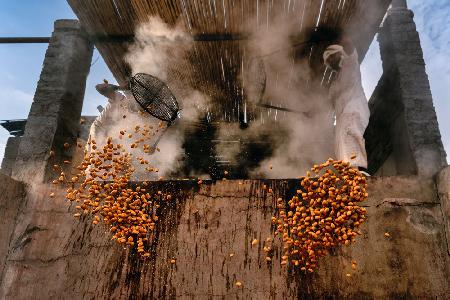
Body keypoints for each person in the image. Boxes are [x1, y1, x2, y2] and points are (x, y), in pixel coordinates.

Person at [323, 39, 371, 176]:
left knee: (349, 133)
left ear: (340, 54)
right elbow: (326, 104)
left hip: (354, 108)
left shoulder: (350, 66)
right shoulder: (334, 85)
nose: (331, 62)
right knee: (340, 141)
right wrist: (311, 112)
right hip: (342, 115)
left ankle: (358, 170)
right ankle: (348, 172)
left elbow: (351, 52)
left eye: (333, 57)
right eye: (329, 61)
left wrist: (345, 39)